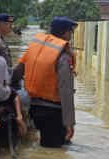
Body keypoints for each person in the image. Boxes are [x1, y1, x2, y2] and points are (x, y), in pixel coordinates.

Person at [12, 17, 77, 148]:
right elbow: (66, 90)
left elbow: (17, 72)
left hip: (34, 109)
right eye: (71, 32)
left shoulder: (34, 46)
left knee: (43, 146)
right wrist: (69, 123)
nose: (71, 36)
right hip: (53, 112)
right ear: (65, 33)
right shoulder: (63, 55)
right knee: (56, 155)